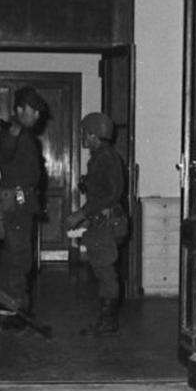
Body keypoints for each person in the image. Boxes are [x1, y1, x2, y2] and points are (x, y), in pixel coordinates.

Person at [0, 86, 49, 330]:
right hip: (16, 203)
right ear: (19, 110)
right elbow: (1, 155)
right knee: (18, 259)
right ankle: (15, 311)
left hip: (23, 203)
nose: (37, 116)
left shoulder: (24, 134)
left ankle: (10, 308)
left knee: (14, 258)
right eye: (33, 111)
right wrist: (12, 136)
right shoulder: (11, 133)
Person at [65, 112, 128, 337]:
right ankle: (106, 319)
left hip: (106, 224)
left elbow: (111, 193)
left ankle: (107, 322)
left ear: (95, 135)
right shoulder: (103, 156)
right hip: (104, 222)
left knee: (105, 273)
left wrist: (82, 212)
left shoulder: (105, 157)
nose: (82, 136)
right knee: (104, 271)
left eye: (85, 132)